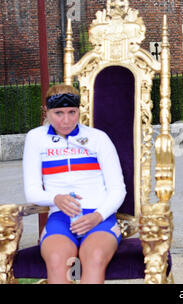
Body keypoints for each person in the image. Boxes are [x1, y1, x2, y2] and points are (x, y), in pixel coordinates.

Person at [22, 84, 126, 284]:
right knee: (57, 260)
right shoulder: (36, 138)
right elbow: (32, 191)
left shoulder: (98, 138)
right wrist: (55, 198)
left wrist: (98, 216)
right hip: (60, 218)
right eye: (58, 113)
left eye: (72, 112)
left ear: (79, 110)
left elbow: (117, 189)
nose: (66, 120)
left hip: (99, 217)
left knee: (94, 257)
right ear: (46, 110)